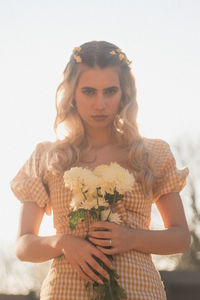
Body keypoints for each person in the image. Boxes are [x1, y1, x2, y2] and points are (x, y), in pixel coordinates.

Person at [10, 41, 190, 300]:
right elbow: (23, 245)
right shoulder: (47, 157)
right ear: (72, 94)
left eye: (110, 91)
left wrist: (132, 238)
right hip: (65, 292)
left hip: (139, 292)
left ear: (124, 93)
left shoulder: (151, 154)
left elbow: (180, 237)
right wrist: (62, 242)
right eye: (89, 92)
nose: (100, 104)